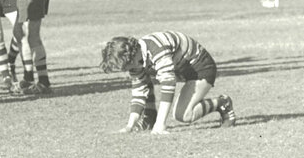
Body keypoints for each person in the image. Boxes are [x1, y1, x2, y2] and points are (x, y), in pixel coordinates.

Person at [100, 31, 236, 134]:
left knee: (183, 115)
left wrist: (161, 125)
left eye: (124, 67)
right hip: (181, 69)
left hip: (199, 68)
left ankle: (222, 103)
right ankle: (149, 119)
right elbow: (139, 90)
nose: (125, 71)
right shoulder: (136, 60)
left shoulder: (157, 48)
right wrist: (130, 125)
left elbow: (168, 85)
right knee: (144, 80)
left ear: (131, 58)